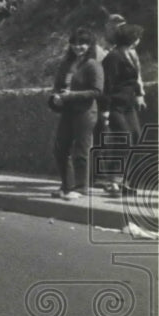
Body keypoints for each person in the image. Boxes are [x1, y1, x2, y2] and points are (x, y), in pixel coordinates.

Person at [48, 28, 103, 200]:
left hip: (85, 112)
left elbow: (97, 91)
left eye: (82, 43)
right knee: (60, 148)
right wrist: (56, 96)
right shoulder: (66, 64)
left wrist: (71, 95)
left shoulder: (93, 65)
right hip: (67, 111)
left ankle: (80, 188)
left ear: (89, 45)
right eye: (75, 43)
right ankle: (66, 186)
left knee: (81, 150)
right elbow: (57, 85)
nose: (78, 47)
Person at [101, 23, 147, 197]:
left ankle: (126, 181)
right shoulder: (113, 57)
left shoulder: (130, 54)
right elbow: (107, 85)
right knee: (124, 138)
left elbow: (134, 79)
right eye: (137, 37)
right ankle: (113, 181)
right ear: (131, 39)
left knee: (135, 137)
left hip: (128, 105)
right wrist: (105, 110)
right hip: (114, 105)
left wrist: (139, 95)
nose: (139, 40)